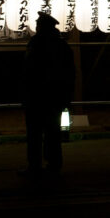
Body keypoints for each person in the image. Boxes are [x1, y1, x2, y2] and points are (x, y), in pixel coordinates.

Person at [21, 11, 75, 178]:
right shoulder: (62, 46)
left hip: (38, 97)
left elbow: (28, 72)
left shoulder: (37, 44)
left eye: (38, 24)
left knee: (35, 134)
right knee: (52, 133)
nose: (36, 26)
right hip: (54, 97)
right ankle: (53, 164)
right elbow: (70, 74)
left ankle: (35, 166)